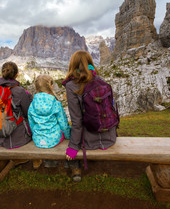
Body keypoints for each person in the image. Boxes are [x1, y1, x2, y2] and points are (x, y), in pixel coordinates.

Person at [62, 50, 117, 181]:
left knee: (68, 136)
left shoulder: (71, 86)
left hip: (89, 142)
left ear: (73, 65)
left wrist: (73, 148)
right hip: (109, 137)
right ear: (90, 63)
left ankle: (76, 168)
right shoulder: (100, 80)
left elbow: (77, 121)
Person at [0, 61, 33, 166]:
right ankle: (20, 159)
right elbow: (28, 113)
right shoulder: (19, 91)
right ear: (16, 74)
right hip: (16, 140)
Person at [28, 75, 71, 169]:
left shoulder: (32, 104)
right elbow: (63, 124)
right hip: (54, 139)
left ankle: (49, 162)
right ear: (51, 86)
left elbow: (31, 124)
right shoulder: (56, 103)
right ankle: (59, 161)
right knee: (60, 132)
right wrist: (68, 136)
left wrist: (35, 135)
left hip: (38, 140)